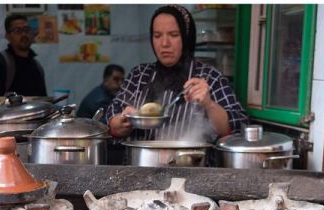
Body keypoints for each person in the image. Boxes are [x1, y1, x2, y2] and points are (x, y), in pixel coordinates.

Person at [105, 5, 248, 142]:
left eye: (173, 35)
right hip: (141, 162)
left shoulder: (210, 77)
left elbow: (237, 127)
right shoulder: (140, 75)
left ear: (186, 37)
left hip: (191, 163)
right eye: (157, 35)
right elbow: (112, 119)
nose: (164, 43)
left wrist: (209, 105)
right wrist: (123, 121)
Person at [0, 14, 47, 97]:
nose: (24, 34)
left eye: (26, 29)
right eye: (17, 31)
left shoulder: (37, 67)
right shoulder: (0, 65)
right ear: (8, 36)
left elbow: (44, 102)